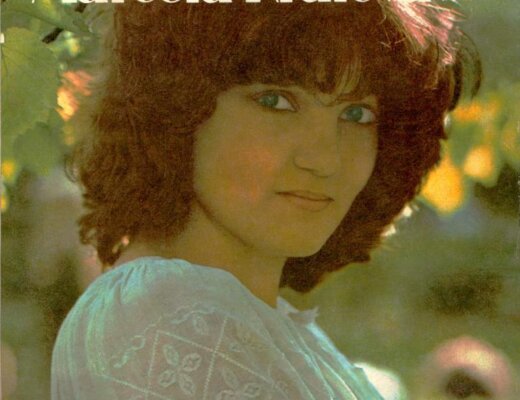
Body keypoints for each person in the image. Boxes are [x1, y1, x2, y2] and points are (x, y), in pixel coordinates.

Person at [51, 1, 480, 399]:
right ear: (175, 109)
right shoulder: (167, 309)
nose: (324, 159)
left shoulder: (263, 323)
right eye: (276, 102)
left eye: (357, 114)